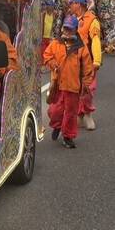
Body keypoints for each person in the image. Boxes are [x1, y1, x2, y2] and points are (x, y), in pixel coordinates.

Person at [43, 15, 94, 149]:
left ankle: (68, 136)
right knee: (54, 111)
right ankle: (57, 126)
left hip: (73, 86)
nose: (67, 31)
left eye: (70, 29)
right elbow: (47, 56)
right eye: (65, 28)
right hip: (58, 85)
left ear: (76, 30)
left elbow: (88, 68)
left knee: (71, 113)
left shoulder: (81, 47)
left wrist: (86, 84)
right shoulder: (56, 43)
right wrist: (53, 64)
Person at [70, 0, 101, 131]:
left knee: (88, 89)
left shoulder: (92, 20)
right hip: (72, 60)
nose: (71, 5)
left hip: (87, 61)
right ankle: (78, 113)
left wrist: (97, 60)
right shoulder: (70, 19)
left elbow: (95, 40)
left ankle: (87, 114)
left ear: (80, 4)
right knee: (73, 89)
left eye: (73, 3)